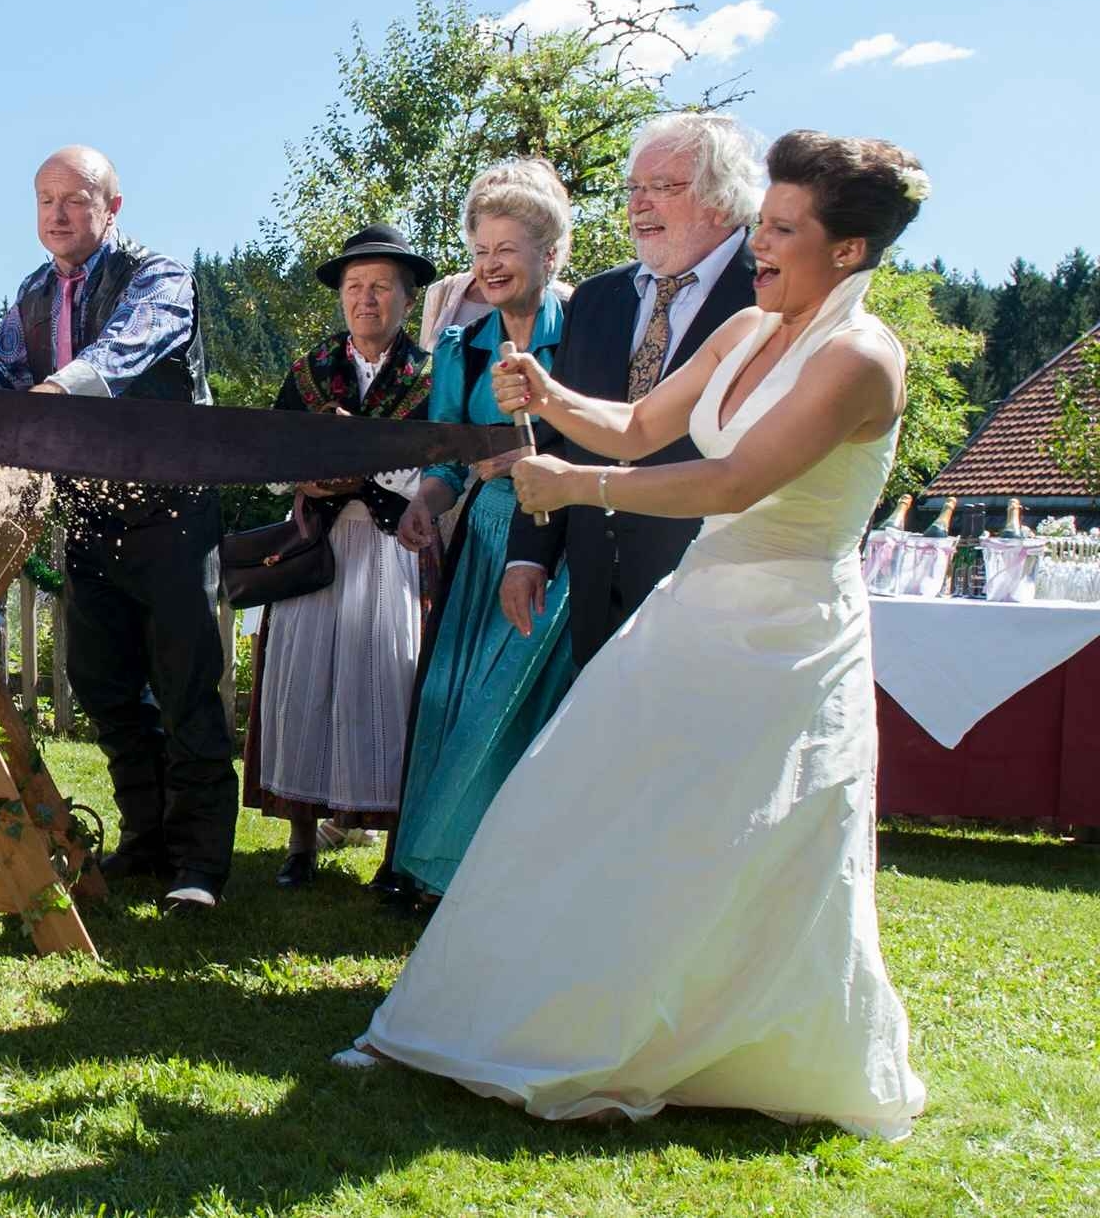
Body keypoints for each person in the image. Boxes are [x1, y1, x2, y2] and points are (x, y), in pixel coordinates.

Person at [343, 130, 931, 1140]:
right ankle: (543, 1012)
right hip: (692, 611)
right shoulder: (745, 330)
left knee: (737, 840)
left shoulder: (859, 359)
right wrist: (546, 395)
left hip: (788, 633)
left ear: (847, 252)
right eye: (763, 222)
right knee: (579, 798)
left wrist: (577, 484)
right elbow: (634, 423)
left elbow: (732, 482)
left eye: (784, 230)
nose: (760, 245)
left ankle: (721, 1035)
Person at [0, 146, 236, 912]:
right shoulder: (36, 292)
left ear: (112, 206)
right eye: (45, 200)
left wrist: (56, 391)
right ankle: (150, 835)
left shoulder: (159, 277)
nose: (58, 214)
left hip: (171, 507)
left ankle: (201, 863)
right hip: (92, 512)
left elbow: (126, 351)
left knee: (185, 683)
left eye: (74, 199)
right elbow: (3, 364)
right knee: (103, 681)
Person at [386, 163, 582, 905]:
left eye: (508, 248)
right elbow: (448, 458)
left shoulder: (590, 332)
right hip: (486, 538)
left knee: (520, 703)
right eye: (480, 251)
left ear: (550, 254)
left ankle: (516, 881)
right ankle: (438, 871)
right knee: (452, 698)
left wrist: (530, 457)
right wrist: (426, 503)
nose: (490, 265)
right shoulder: (461, 346)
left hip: (561, 534)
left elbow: (608, 438)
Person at [502, 114, 761, 667]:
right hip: (596, 585)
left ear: (721, 199)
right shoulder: (597, 298)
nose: (638, 204)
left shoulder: (770, 299)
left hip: (716, 590)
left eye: (661, 188)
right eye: (633, 188)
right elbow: (554, 436)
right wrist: (529, 554)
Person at [242, 226, 432, 889]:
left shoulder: (427, 376)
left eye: (381, 286)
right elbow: (266, 459)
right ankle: (300, 840)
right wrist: (305, 479)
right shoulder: (310, 371)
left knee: (385, 682)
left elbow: (439, 470)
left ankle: (391, 852)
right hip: (315, 549)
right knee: (305, 685)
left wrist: (363, 474)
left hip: (389, 549)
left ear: (408, 298)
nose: (367, 299)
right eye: (355, 287)